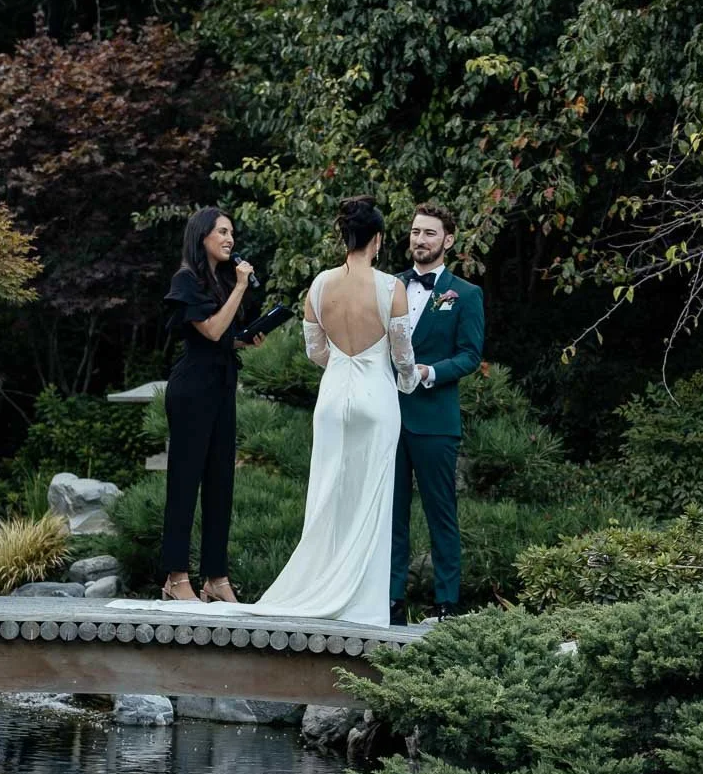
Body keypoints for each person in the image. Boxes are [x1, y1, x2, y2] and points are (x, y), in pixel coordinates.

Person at [205, 196, 420, 627]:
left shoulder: (319, 285)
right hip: (376, 398)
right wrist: (408, 381)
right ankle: (362, 604)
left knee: (326, 495)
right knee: (372, 499)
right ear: (377, 240)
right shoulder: (390, 287)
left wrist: (342, 366)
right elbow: (403, 356)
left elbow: (315, 350)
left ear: (344, 238)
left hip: (333, 396)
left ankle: (320, 584)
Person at [390, 203, 485, 623]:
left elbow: (469, 355)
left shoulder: (465, 294)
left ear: (448, 240)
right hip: (389, 417)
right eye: (415, 232)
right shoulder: (389, 285)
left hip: (435, 420)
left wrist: (430, 371)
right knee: (390, 514)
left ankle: (447, 601)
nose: (420, 240)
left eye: (429, 233)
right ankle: (390, 597)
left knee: (440, 512)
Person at [159, 206, 258, 604]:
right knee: (185, 481)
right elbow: (212, 329)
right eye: (221, 232)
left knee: (221, 484)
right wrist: (239, 288)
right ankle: (176, 575)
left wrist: (247, 337)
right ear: (201, 236)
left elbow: (223, 336)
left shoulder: (217, 282)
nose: (229, 239)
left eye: (232, 232)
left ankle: (215, 577)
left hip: (221, 386)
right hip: (192, 389)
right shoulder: (187, 280)